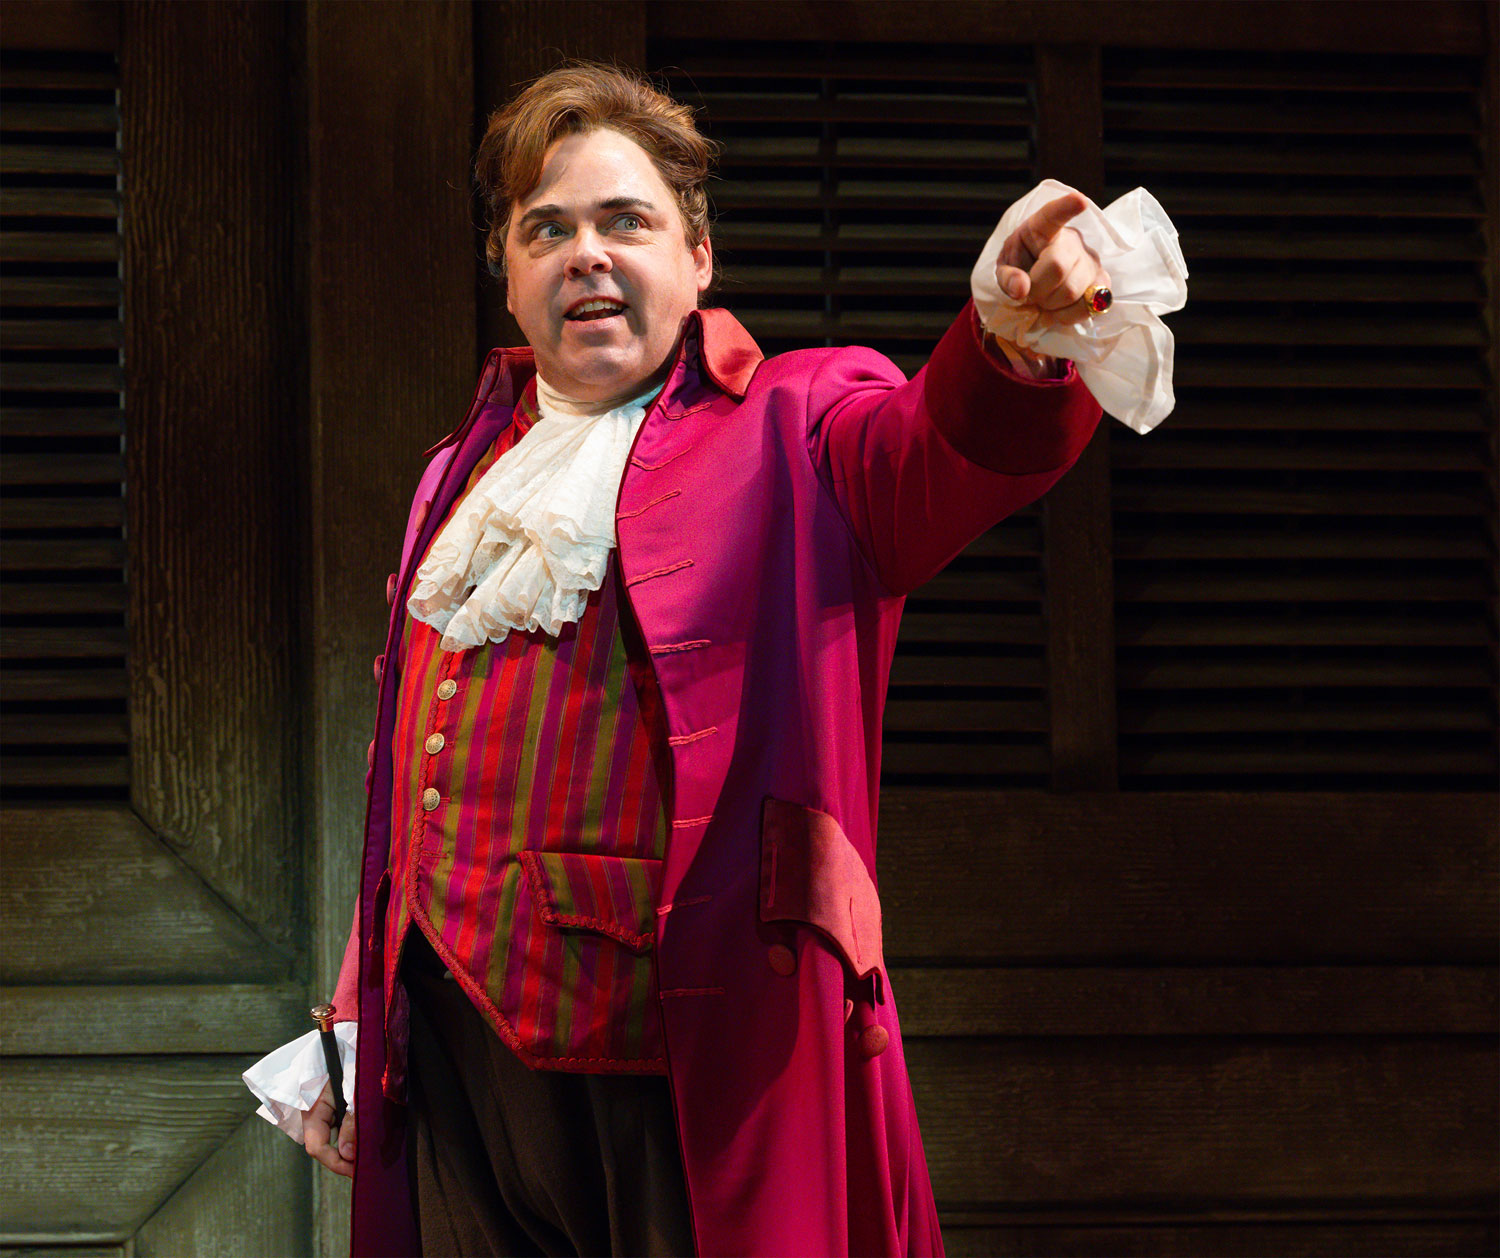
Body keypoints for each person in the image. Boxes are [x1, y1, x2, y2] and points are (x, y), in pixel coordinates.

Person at [245, 60, 1184, 1258]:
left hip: (684, 1070)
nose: (585, 254)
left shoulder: (796, 424)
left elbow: (937, 449)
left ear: (698, 258)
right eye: (547, 230)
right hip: (454, 1066)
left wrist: (1014, 336)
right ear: (508, 272)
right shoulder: (459, 477)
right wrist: (355, 1007)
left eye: (625, 221)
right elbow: (415, 782)